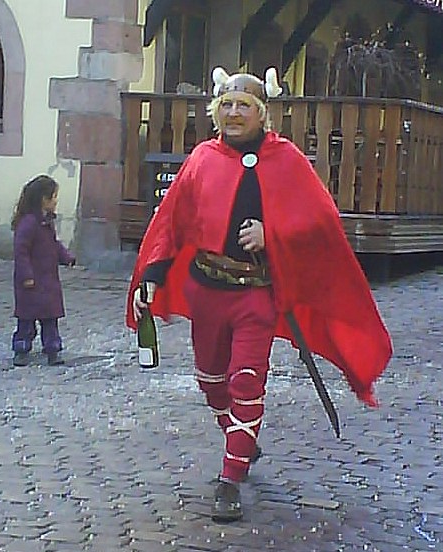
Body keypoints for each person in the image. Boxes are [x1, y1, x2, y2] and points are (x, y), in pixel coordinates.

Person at [126, 66, 392, 523]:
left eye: (243, 107)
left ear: (262, 114)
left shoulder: (286, 160)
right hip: (208, 288)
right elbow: (172, 221)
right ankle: (242, 437)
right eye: (226, 106)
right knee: (212, 382)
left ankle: (230, 478)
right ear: (216, 112)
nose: (233, 114)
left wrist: (274, 234)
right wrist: (152, 275)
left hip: (257, 295)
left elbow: (320, 223)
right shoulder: (202, 159)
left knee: (245, 380)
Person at [11, 174, 75, 367]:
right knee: (26, 319)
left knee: (50, 319)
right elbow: (21, 251)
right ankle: (21, 349)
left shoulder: (46, 222)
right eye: (54, 197)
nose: (56, 201)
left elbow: (53, 244)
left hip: (48, 280)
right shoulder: (29, 223)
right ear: (43, 199)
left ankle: (53, 349)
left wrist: (66, 257)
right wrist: (26, 276)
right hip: (31, 282)